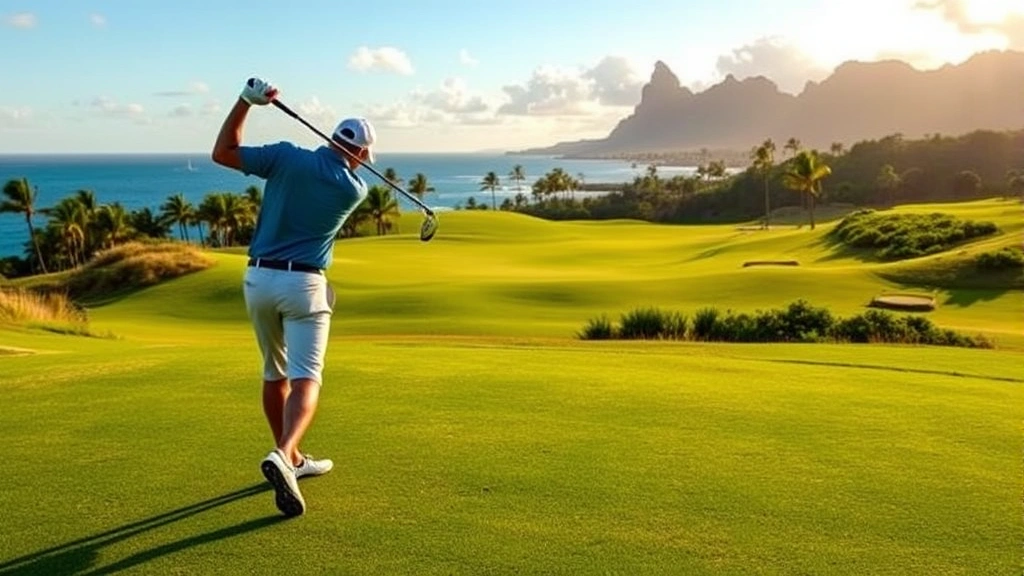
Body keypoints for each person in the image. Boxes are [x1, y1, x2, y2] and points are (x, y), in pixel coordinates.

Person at [212, 77, 375, 517]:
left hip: (258, 280)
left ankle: (295, 459)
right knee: (307, 378)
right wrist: (353, 159)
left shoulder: (284, 156)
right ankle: (285, 454)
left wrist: (246, 102)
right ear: (360, 155)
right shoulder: (354, 189)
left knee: (274, 373)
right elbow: (342, 167)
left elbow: (223, 151)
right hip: (304, 285)